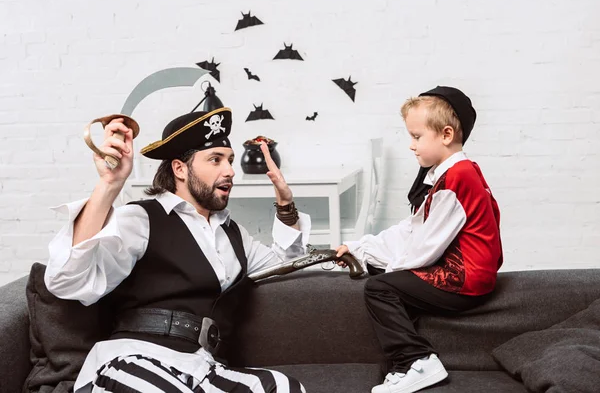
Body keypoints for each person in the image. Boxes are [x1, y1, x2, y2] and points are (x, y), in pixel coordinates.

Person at [45, 102, 310, 393]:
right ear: (180, 169)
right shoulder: (141, 218)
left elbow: (287, 262)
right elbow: (66, 280)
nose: (230, 171)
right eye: (216, 160)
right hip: (135, 359)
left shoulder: (234, 234)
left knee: (283, 387)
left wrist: (285, 205)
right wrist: (110, 184)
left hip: (203, 367)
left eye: (231, 160)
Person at [336, 86, 503, 393]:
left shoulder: (458, 177)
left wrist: (389, 272)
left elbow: (425, 246)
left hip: (466, 278)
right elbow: (412, 230)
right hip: (460, 272)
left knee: (380, 287)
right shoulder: (449, 174)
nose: (411, 146)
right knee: (380, 273)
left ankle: (419, 361)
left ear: (446, 134)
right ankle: (402, 361)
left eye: (416, 136)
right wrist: (362, 250)